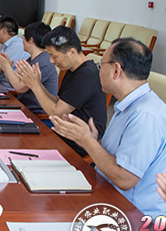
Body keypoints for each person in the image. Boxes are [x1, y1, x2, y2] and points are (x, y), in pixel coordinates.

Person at [50, 38, 166, 217]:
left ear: (116, 70)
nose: (98, 71)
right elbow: (118, 155)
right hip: (106, 195)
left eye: (101, 66)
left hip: (129, 215)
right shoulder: (129, 105)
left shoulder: (145, 116)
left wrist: (86, 140)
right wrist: (91, 139)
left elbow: (125, 179)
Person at [15, 25, 106, 156]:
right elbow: (58, 102)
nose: (51, 61)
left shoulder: (85, 75)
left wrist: (34, 86)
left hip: (76, 147)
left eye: (54, 56)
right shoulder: (72, 69)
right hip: (62, 136)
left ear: (71, 52)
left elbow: (57, 113)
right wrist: (38, 84)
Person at [0, 22, 58, 113]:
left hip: (36, 113)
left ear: (31, 40)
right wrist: (6, 69)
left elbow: (19, 88)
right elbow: (15, 83)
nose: (22, 40)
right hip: (24, 107)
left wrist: (7, 66)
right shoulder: (32, 59)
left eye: (23, 37)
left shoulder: (43, 62)